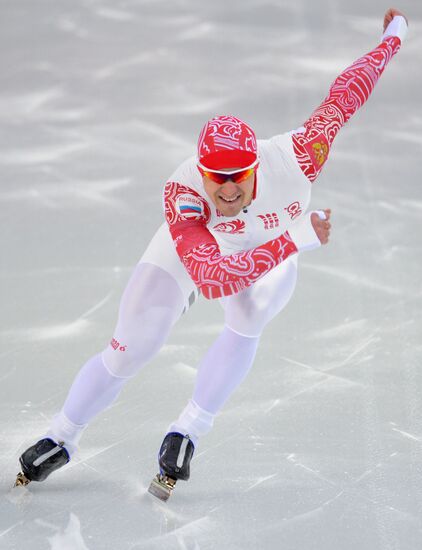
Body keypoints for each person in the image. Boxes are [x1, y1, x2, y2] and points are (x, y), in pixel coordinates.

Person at [16, 9, 408, 500]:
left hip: (268, 254)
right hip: (215, 251)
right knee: (131, 342)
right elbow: (213, 278)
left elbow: (348, 93)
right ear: (200, 171)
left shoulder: (299, 157)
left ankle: (189, 429)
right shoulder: (184, 194)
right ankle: (62, 434)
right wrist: (295, 239)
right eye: (214, 177)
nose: (225, 191)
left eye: (237, 178)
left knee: (252, 309)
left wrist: (393, 37)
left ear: (256, 169)